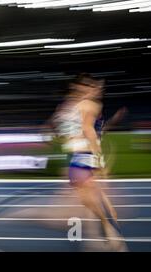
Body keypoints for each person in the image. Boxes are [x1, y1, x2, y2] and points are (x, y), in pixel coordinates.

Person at [53, 73, 126, 250]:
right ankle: (105, 228)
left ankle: (108, 230)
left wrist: (99, 160)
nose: (97, 90)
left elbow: (89, 130)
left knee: (88, 196)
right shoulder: (78, 106)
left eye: (98, 88)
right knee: (89, 196)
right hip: (79, 154)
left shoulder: (87, 105)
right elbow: (90, 128)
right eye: (94, 87)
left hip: (83, 154)